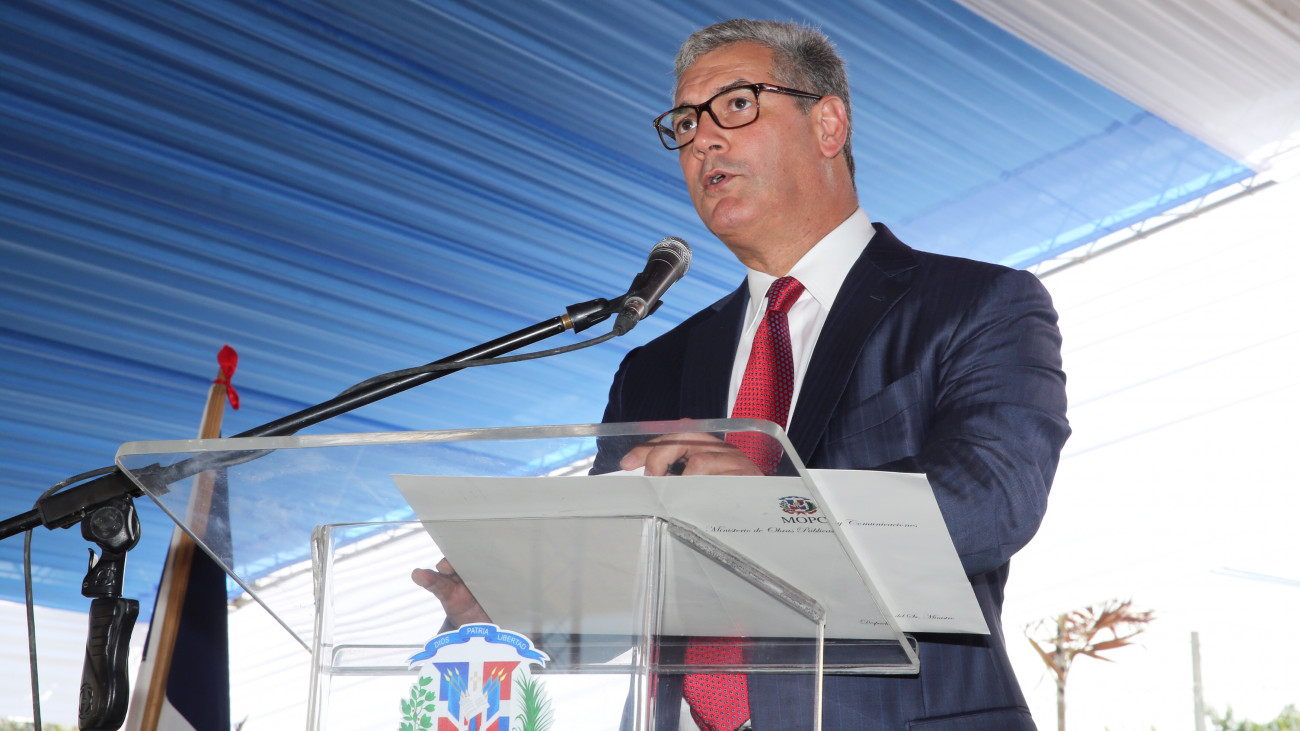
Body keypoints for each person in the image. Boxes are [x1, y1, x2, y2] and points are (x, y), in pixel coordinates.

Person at [418, 18, 1069, 730]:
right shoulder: (652, 369)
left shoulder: (977, 303)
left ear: (828, 124)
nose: (702, 139)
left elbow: (992, 500)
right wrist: (520, 607)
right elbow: (618, 597)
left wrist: (771, 504)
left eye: (735, 105)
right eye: (684, 124)